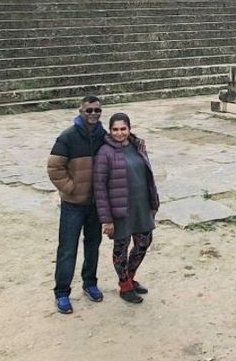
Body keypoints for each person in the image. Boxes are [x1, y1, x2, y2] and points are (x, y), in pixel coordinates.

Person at [47, 94, 106, 314]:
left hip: (95, 204)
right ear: (80, 111)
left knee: (93, 245)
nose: (93, 114)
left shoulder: (103, 135)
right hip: (73, 204)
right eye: (88, 110)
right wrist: (70, 187)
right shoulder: (68, 137)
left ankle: (90, 282)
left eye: (97, 110)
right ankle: (62, 292)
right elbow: (54, 168)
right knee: (67, 249)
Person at [93, 112, 159, 304]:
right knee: (121, 247)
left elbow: (148, 176)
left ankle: (130, 276)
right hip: (120, 209)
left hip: (141, 205)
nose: (120, 133)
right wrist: (106, 219)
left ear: (129, 129)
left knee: (144, 242)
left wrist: (154, 202)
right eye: (115, 129)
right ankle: (124, 285)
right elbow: (100, 187)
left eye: (123, 129)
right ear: (110, 130)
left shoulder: (137, 146)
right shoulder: (105, 152)